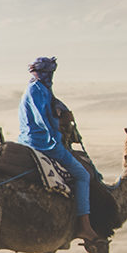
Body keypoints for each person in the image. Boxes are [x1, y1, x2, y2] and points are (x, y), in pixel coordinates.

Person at [18, 56, 98, 241]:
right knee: (82, 175)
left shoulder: (41, 89)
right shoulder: (36, 90)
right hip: (43, 142)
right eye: (49, 73)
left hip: (31, 139)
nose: (50, 76)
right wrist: (58, 133)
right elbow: (42, 120)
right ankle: (84, 226)